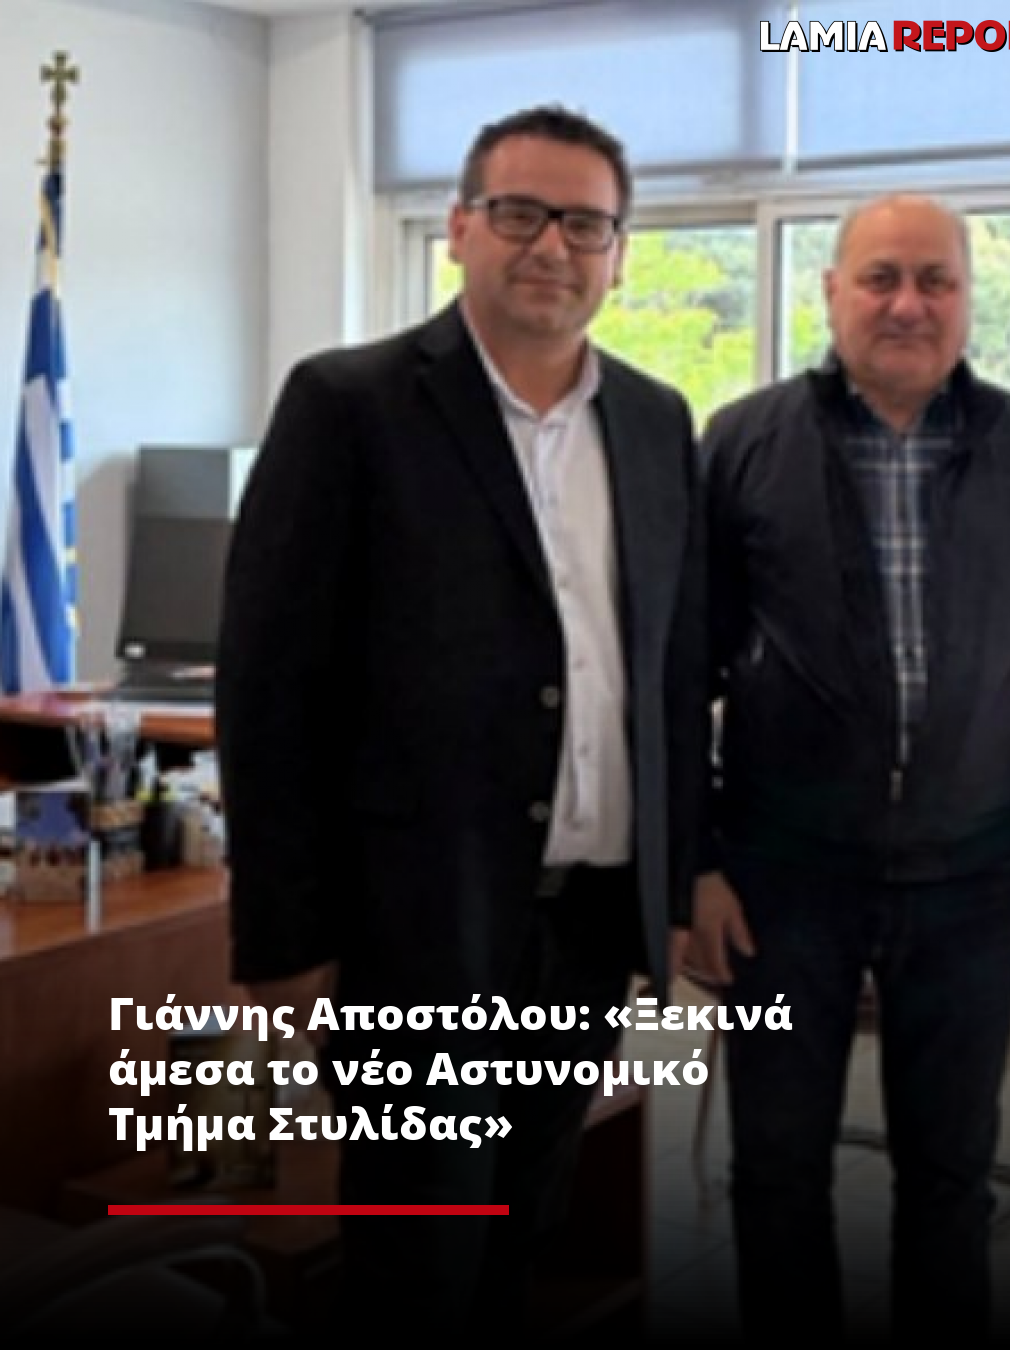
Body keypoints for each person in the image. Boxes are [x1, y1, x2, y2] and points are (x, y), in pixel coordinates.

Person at [215, 106, 704, 1335]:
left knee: (523, 1231)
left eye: (585, 224)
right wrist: (283, 935)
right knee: (417, 1260)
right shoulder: (350, 405)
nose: (553, 246)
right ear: (459, 230)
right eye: (521, 213)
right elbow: (269, 686)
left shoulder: (657, 422)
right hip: (414, 927)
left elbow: (669, 669)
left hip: (586, 924)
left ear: (619, 253)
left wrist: (678, 880)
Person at [689, 193, 1010, 1341]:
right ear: (832, 293)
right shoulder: (741, 445)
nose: (908, 304)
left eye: (935, 280)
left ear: (968, 298)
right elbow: (680, 674)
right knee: (775, 1169)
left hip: (974, 882)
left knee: (951, 1171)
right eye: (880, 278)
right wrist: (695, 865)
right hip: (781, 883)